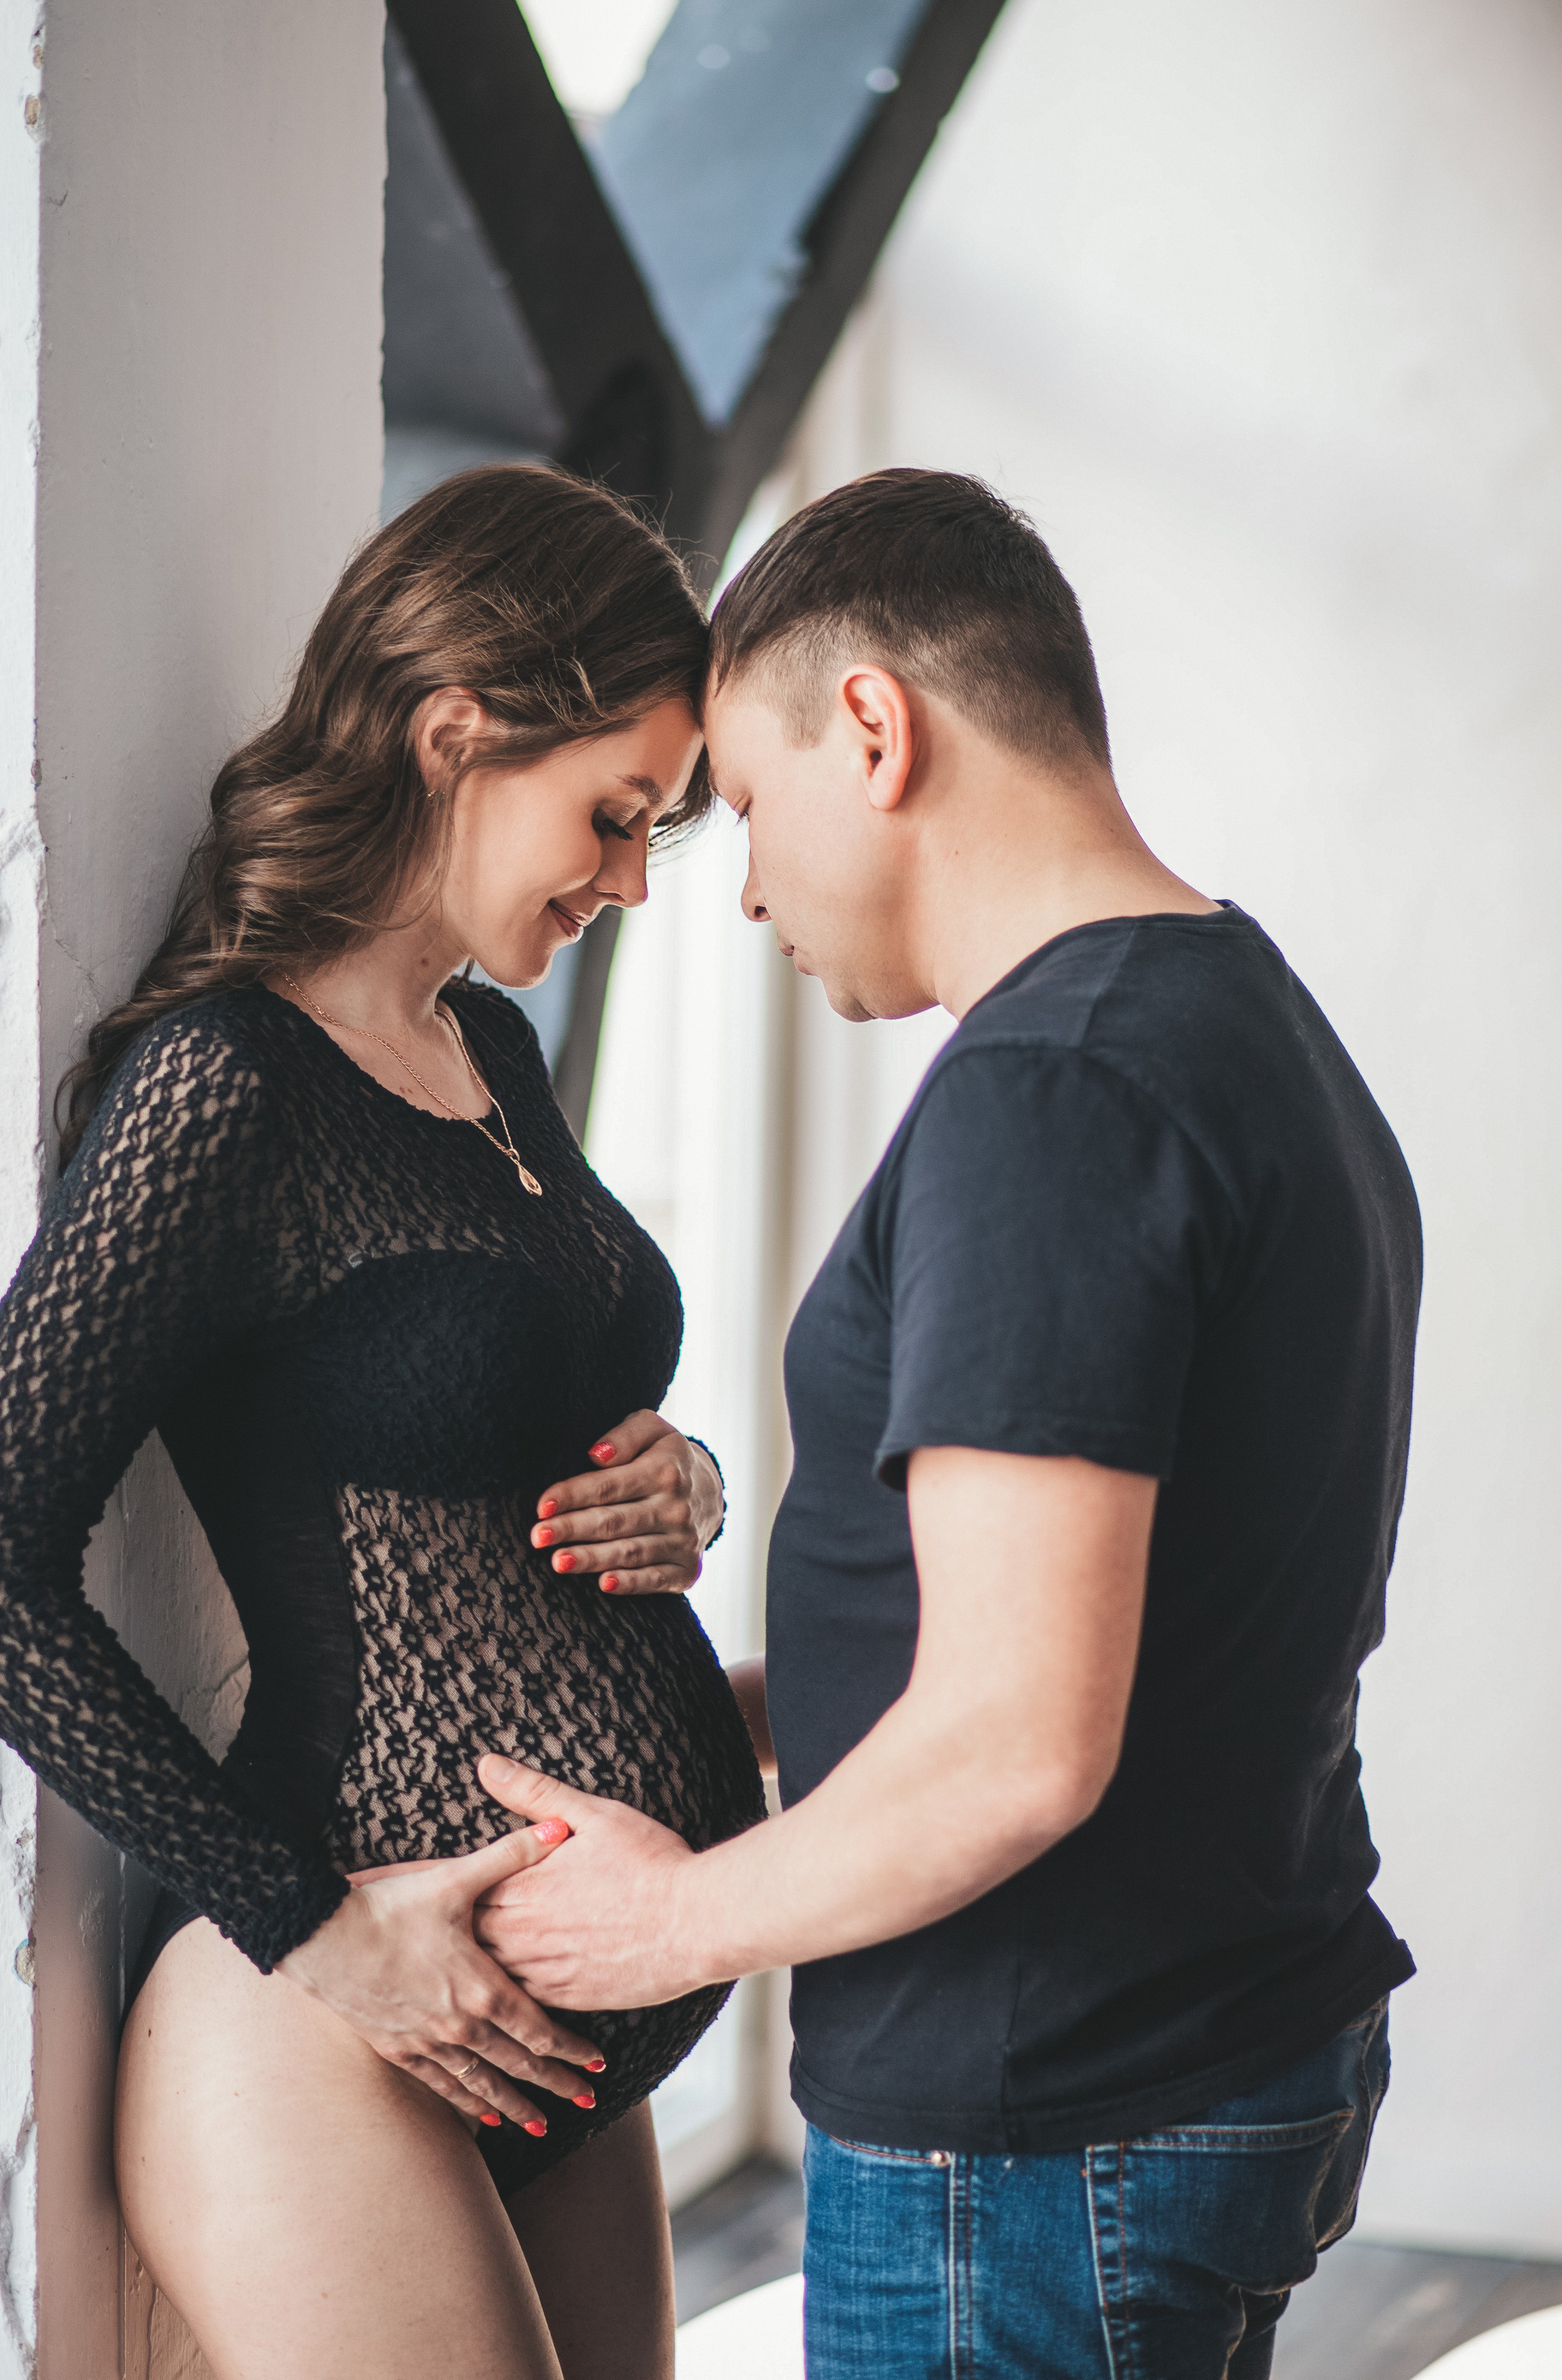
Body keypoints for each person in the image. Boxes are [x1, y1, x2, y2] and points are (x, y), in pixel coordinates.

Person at [473, 469, 1423, 2378]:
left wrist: (664, 1926)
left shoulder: (1052, 1093)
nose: (748, 889)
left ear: (875, 729)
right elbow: (1121, 1619)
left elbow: (1015, 1745)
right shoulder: (1234, 1014)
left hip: (1043, 2130)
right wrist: (719, 1716)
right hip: (1206, 2042)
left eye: (751, 808)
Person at [0, 464, 766, 2380]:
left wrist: (687, 1478)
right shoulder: (226, 1085)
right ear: (455, 735)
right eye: (614, 816)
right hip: (331, 2023)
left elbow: (520, 1409)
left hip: (547, 2029)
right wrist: (313, 1926)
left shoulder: (494, 1051)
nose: (634, 881)